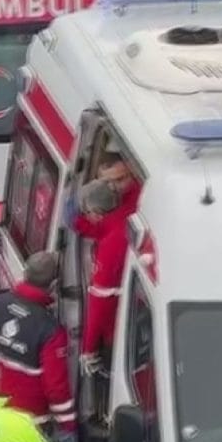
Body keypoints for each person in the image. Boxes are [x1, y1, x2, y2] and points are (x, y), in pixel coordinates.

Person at [0, 252, 76, 442]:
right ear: (53, 285)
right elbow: (56, 389)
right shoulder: (50, 330)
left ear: (25, 274)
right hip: (27, 421)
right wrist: (67, 427)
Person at [74, 179, 127, 425]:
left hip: (114, 329)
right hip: (120, 318)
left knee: (107, 374)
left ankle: (107, 416)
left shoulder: (110, 245)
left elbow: (99, 302)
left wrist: (88, 348)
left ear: (96, 212)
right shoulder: (120, 221)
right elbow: (97, 227)